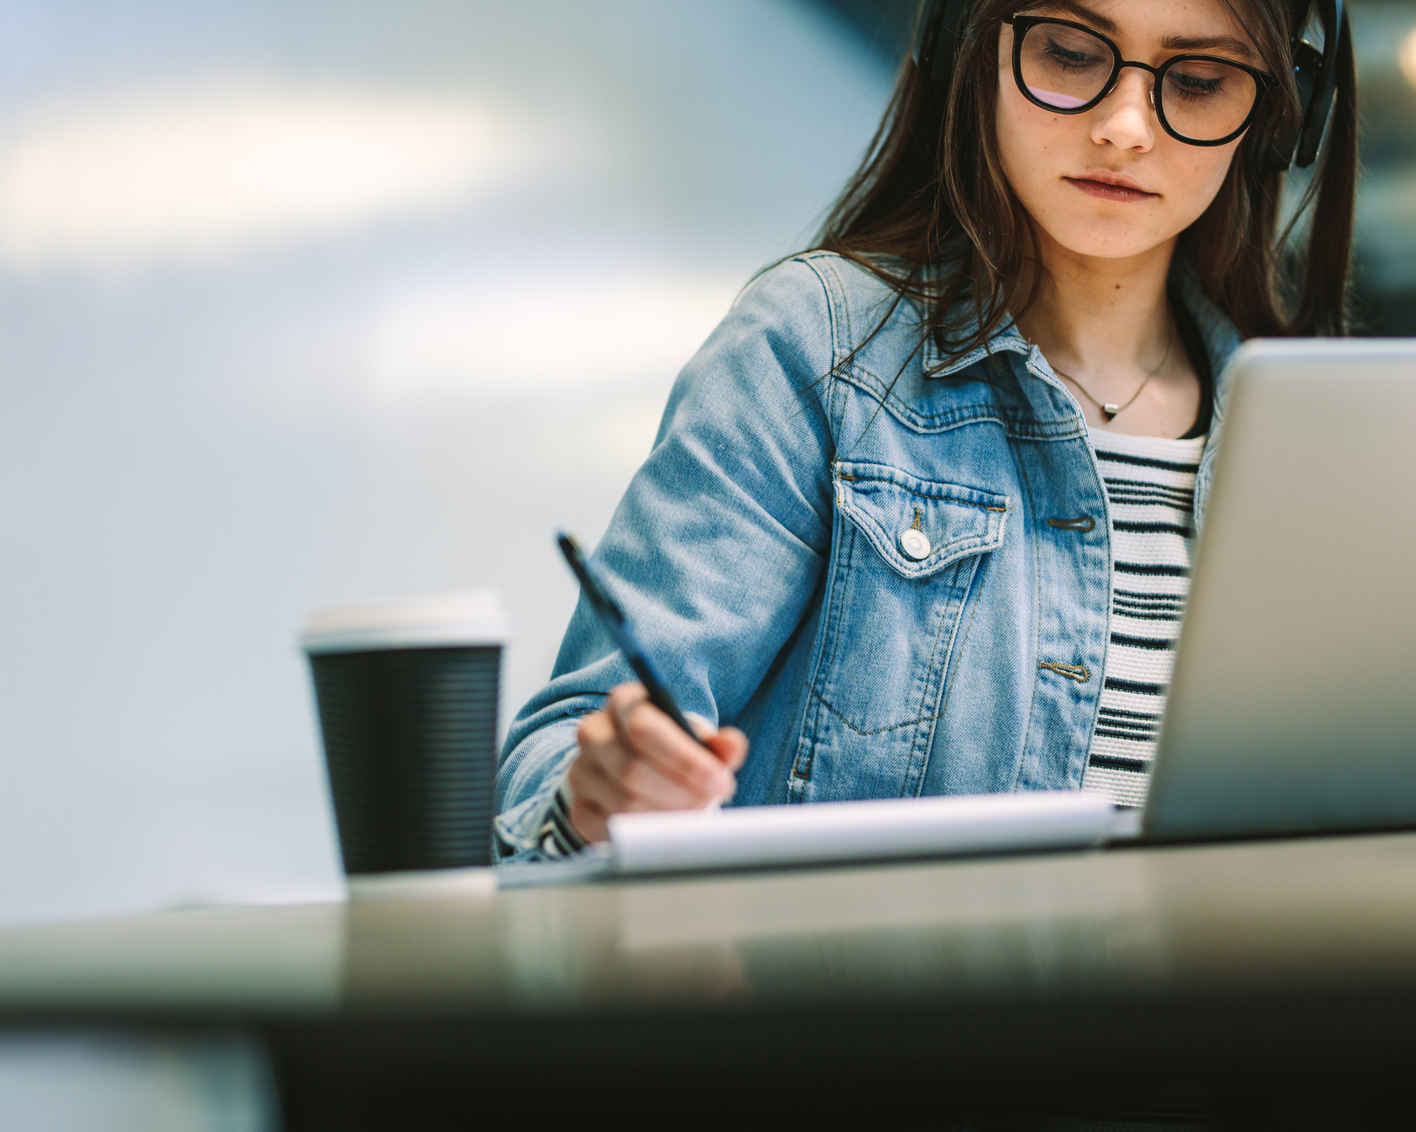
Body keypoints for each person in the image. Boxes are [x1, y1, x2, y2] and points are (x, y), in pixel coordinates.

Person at [493, 0, 1357, 862]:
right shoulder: (814, 352)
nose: (1126, 128)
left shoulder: (1312, 436)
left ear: (1285, 117)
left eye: (1200, 81)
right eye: (1068, 53)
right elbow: (557, 765)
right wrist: (602, 792)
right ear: (968, 45)